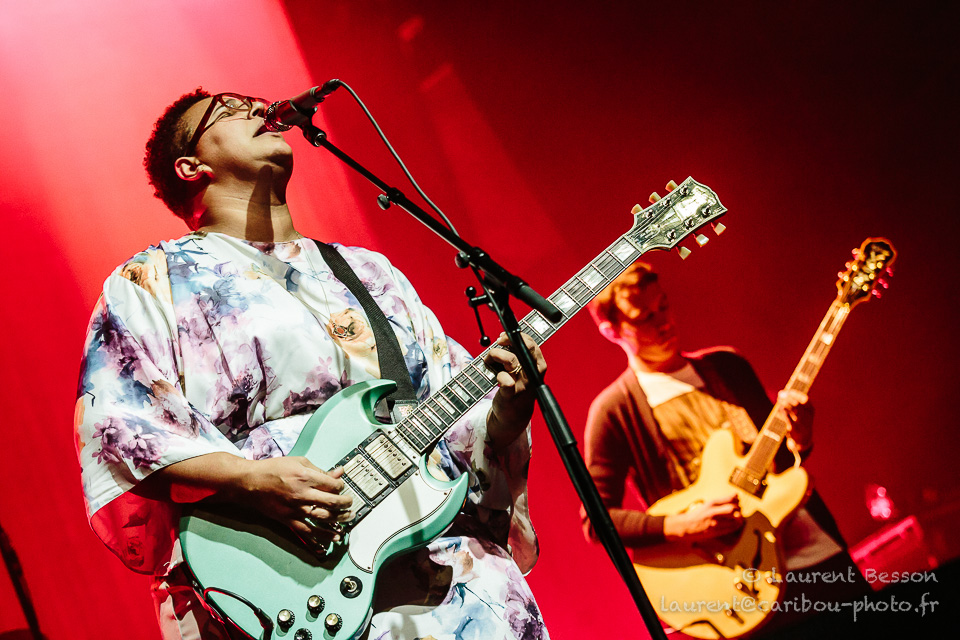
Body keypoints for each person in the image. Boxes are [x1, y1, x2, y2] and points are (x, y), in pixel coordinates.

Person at [74, 89, 549, 640]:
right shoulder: (151, 280)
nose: (258, 110)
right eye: (229, 110)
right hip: (286, 586)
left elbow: (457, 424)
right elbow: (120, 427)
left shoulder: (369, 273)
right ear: (191, 166)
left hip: (451, 582)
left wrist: (508, 409)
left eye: (256, 102)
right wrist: (252, 479)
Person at [581, 261, 867, 637]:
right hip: (740, 585)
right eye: (645, 317)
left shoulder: (727, 366)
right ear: (611, 331)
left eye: (664, 305)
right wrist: (681, 525)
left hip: (817, 558)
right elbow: (596, 521)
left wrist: (800, 439)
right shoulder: (615, 410)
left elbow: (781, 464)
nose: (664, 322)